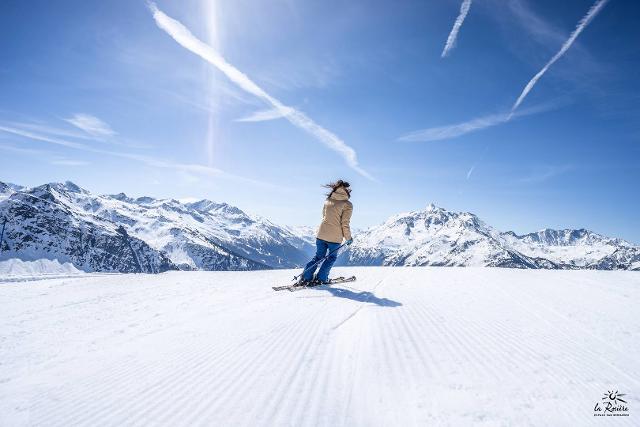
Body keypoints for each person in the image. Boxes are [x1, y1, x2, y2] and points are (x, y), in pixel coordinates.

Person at [301, 180, 353, 284]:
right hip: (334, 237)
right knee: (331, 257)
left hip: (321, 234)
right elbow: (344, 223)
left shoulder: (328, 200)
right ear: (346, 190)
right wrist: (348, 238)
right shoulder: (347, 204)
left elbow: (324, 216)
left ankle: (306, 277)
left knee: (318, 257)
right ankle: (321, 278)